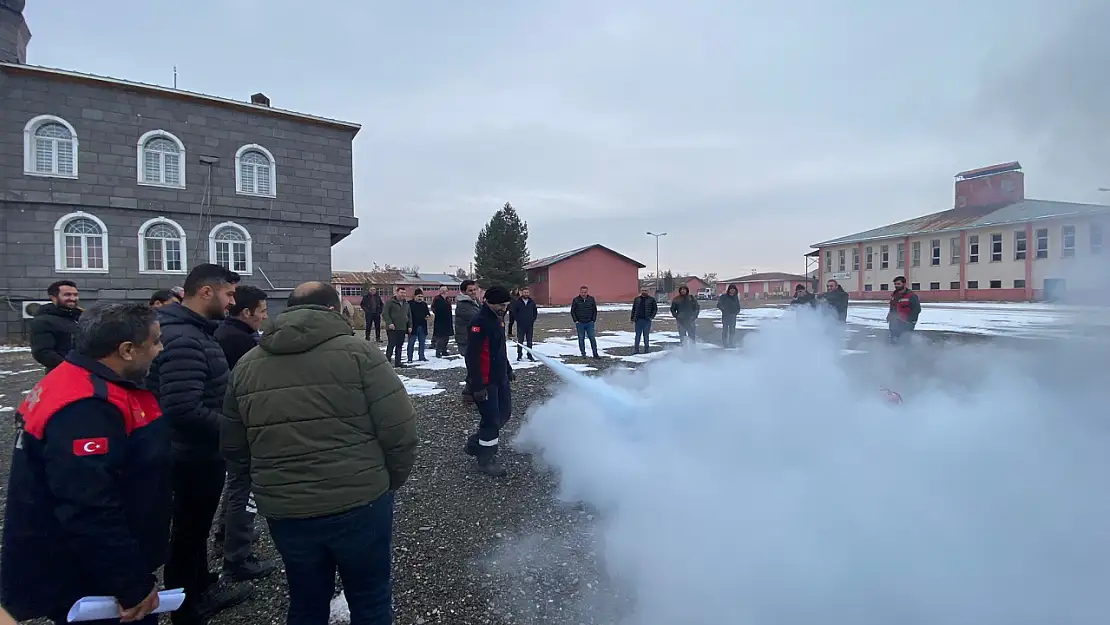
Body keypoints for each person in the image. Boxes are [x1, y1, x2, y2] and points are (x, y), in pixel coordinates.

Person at [221, 282, 418, 625]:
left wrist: (267, 485)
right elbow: (399, 431)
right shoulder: (362, 355)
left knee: (306, 599)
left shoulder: (247, 365)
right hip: (360, 501)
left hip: (287, 509)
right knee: (370, 597)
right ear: (332, 309)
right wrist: (388, 481)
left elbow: (235, 447)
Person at [1, 303, 169, 625]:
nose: (161, 349)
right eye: (156, 341)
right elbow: (89, 505)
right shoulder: (88, 407)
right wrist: (130, 583)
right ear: (127, 350)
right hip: (91, 577)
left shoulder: (76, 377)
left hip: (87, 563)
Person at [145, 264, 251, 625]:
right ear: (206, 292)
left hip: (202, 451)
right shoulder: (185, 338)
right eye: (229, 294)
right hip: (188, 455)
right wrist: (234, 431)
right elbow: (183, 408)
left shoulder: (196, 330)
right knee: (188, 532)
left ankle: (201, 586)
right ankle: (186, 607)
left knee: (197, 526)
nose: (232, 301)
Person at [212, 285, 277, 583]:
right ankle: (237, 556)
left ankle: (226, 538)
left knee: (237, 484)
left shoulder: (232, 334)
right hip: (243, 424)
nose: (264, 317)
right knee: (244, 489)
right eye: (261, 311)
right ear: (246, 312)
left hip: (234, 423)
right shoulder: (238, 340)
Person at [464, 286, 516, 477]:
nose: (505, 308)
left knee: (504, 414)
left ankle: (475, 443)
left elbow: (498, 350)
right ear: (490, 302)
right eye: (501, 305)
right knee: (491, 420)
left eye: (507, 304)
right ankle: (486, 459)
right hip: (485, 382)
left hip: (500, 377)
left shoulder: (497, 319)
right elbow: (472, 356)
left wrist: (508, 369)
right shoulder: (479, 322)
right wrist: (476, 385)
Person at [30, 280, 82, 371]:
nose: (73, 298)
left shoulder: (80, 317)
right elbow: (43, 353)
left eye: (75, 295)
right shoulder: (43, 321)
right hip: (63, 374)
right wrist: (70, 368)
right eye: (67, 295)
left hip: (87, 372)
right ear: (53, 297)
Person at [382, 286, 412, 368]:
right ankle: (387, 362)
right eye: (401, 292)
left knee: (399, 345)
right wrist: (389, 323)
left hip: (402, 328)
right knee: (391, 344)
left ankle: (398, 362)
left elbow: (409, 316)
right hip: (392, 328)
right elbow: (385, 313)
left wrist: (409, 326)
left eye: (404, 293)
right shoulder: (390, 302)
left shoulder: (406, 304)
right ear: (397, 293)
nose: (403, 294)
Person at [887, 276, 921, 344]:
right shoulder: (894, 296)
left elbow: (917, 309)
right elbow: (892, 308)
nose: (896, 286)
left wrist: (910, 320)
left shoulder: (911, 296)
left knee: (904, 340)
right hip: (894, 322)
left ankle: (906, 353)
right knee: (894, 340)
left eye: (899, 284)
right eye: (895, 284)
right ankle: (894, 352)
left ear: (904, 284)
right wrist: (890, 316)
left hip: (906, 323)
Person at [508, 285, 538, 362]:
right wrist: (518, 320)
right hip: (520, 325)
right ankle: (519, 355)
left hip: (529, 325)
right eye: (525, 292)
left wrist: (532, 320)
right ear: (522, 293)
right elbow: (514, 312)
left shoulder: (532, 302)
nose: (526, 294)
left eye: (527, 292)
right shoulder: (518, 302)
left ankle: (529, 355)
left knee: (529, 341)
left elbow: (535, 312)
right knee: (520, 341)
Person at [570, 286, 600, 358]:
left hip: (589, 323)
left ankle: (595, 354)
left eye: (585, 292)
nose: (584, 293)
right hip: (580, 323)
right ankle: (583, 354)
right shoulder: (576, 300)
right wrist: (576, 320)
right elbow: (572, 311)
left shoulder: (591, 299)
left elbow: (594, 310)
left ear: (587, 292)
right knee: (581, 338)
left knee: (592, 338)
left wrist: (593, 320)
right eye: (582, 292)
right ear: (580, 292)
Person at [630, 287, 658, 354]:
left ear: (648, 291)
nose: (644, 292)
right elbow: (633, 309)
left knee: (646, 335)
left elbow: (655, 309)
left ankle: (646, 349)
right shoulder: (637, 299)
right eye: (642, 290)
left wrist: (651, 317)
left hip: (647, 320)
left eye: (645, 290)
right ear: (640, 291)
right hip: (638, 320)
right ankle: (636, 350)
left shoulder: (652, 299)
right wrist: (632, 318)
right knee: (637, 335)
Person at [407, 288, 431, 363]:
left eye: (421, 296)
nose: (420, 298)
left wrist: (427, 316)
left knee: (422, 342)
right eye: (418, 296)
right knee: (411, 343)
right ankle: (410, 358)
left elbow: (427, 314)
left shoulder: (424, 304)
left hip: (422, 326)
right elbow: (407, 315)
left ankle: (421, 356)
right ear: (414, 296)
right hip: (413, 326)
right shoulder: (409, 304)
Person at [430, 286, 454, 357]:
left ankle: (444, 350)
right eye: (444, 290)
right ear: (441, 291)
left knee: (446, 337)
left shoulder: (447, 299)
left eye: (446, 290)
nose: (446, 292)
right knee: (440, 337)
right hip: (440, 321)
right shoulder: (437, 299)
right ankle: (438, 351)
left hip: (447, 320)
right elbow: (433, 308)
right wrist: (438, 313)